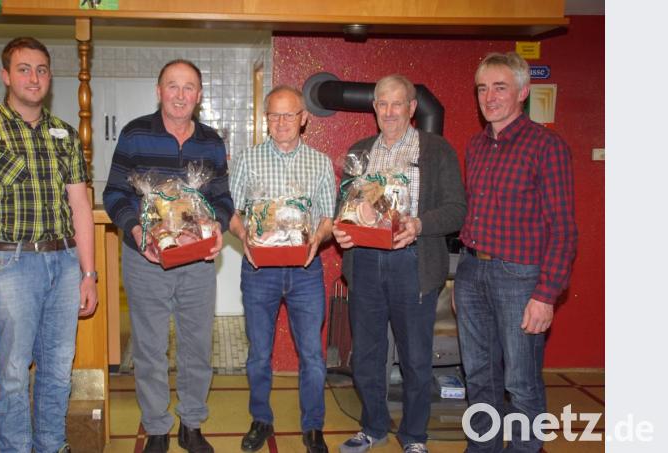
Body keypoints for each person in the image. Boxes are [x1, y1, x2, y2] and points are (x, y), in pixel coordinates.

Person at [0, 37, 98, 453]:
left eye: (42, 70)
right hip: (7, 265)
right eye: (25, 69)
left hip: (65, 263)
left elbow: (80, 205)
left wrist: (89, 273)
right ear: (6, 75)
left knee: (58, 369)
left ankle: (52, 444)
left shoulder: (64, 135)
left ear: (49, 79)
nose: (34, 77)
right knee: (13, 371)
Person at [102, 59, 233, 453]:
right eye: (172, 86)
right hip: (146, 259)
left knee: (197, 345)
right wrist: (139, 229)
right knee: (149, 347)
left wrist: (217, 228)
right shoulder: (135, 134)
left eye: (188, 87)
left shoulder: (211, 141)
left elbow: (222, 198)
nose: (180, 95)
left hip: (196, 261)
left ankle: (191, 423)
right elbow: (114, 193)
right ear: (159, 91)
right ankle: (157, 425)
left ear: (199, 95)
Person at [333, 75, 466, 453]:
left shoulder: (437, 150)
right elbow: (346, 210)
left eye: (398, 104)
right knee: (368, 357)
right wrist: (344, 232)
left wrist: (419, 224)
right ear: (374, 108)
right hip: (365, 264)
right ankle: (373, 427)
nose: (389, 112)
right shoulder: (360, 152)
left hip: (414, 263)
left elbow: (457, 210)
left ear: (412, 108)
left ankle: (413, 437)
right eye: (382, 104)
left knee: (416, 359)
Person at [455, 51, 578, 452]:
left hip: (521, 280)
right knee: (479, 377)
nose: (489, 97)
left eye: (500, 87)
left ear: (523, 92)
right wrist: (462, 280)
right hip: (473, 273)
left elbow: (564, 230)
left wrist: (546, 295)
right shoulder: (475, 147)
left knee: (520, 383)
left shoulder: (547, 147)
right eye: (482, 88)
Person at [228, 86, 336, 453]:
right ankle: (261, 419)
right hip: (260, 270)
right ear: (266, 118)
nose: (282, 122)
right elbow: (232, 211)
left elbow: (328, 217)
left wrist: (317, 239)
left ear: (304, 118)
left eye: (289, 115)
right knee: (259, 353)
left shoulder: (320, 162)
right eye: (274, 115)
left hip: (306, 271)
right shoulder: (248, 159)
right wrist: (244, 235)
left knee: (312, 355)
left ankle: (313, 426)